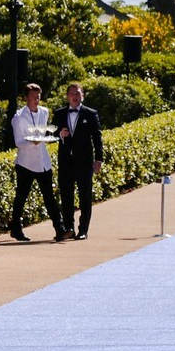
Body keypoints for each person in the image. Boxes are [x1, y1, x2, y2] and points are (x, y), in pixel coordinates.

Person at [8, 83, 67, 243]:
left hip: (43, 162)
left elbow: (44, 132)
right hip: (25, 163)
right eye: (34, 97)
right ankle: (15, 229)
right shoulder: (18, 117)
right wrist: (32, 142)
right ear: (26, 98)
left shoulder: (44, 112)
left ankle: (60, 230)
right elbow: (18, 142)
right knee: (21, 197)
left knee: (49, 197)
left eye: (39, 96)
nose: (37, 99)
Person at [53, 83, 103, 240]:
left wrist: (99, 159)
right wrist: (60, 133)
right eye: (72, 93)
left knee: (85, 197)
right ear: (67, 96)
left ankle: (83, 230)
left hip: (84, 162)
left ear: (83, 96)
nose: (75, 96)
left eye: (78, 93)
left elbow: (97, 137)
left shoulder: (90, 113)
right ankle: (69, 228)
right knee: (66, 196)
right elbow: (52, 133)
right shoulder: (59, 113)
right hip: (66, 161)